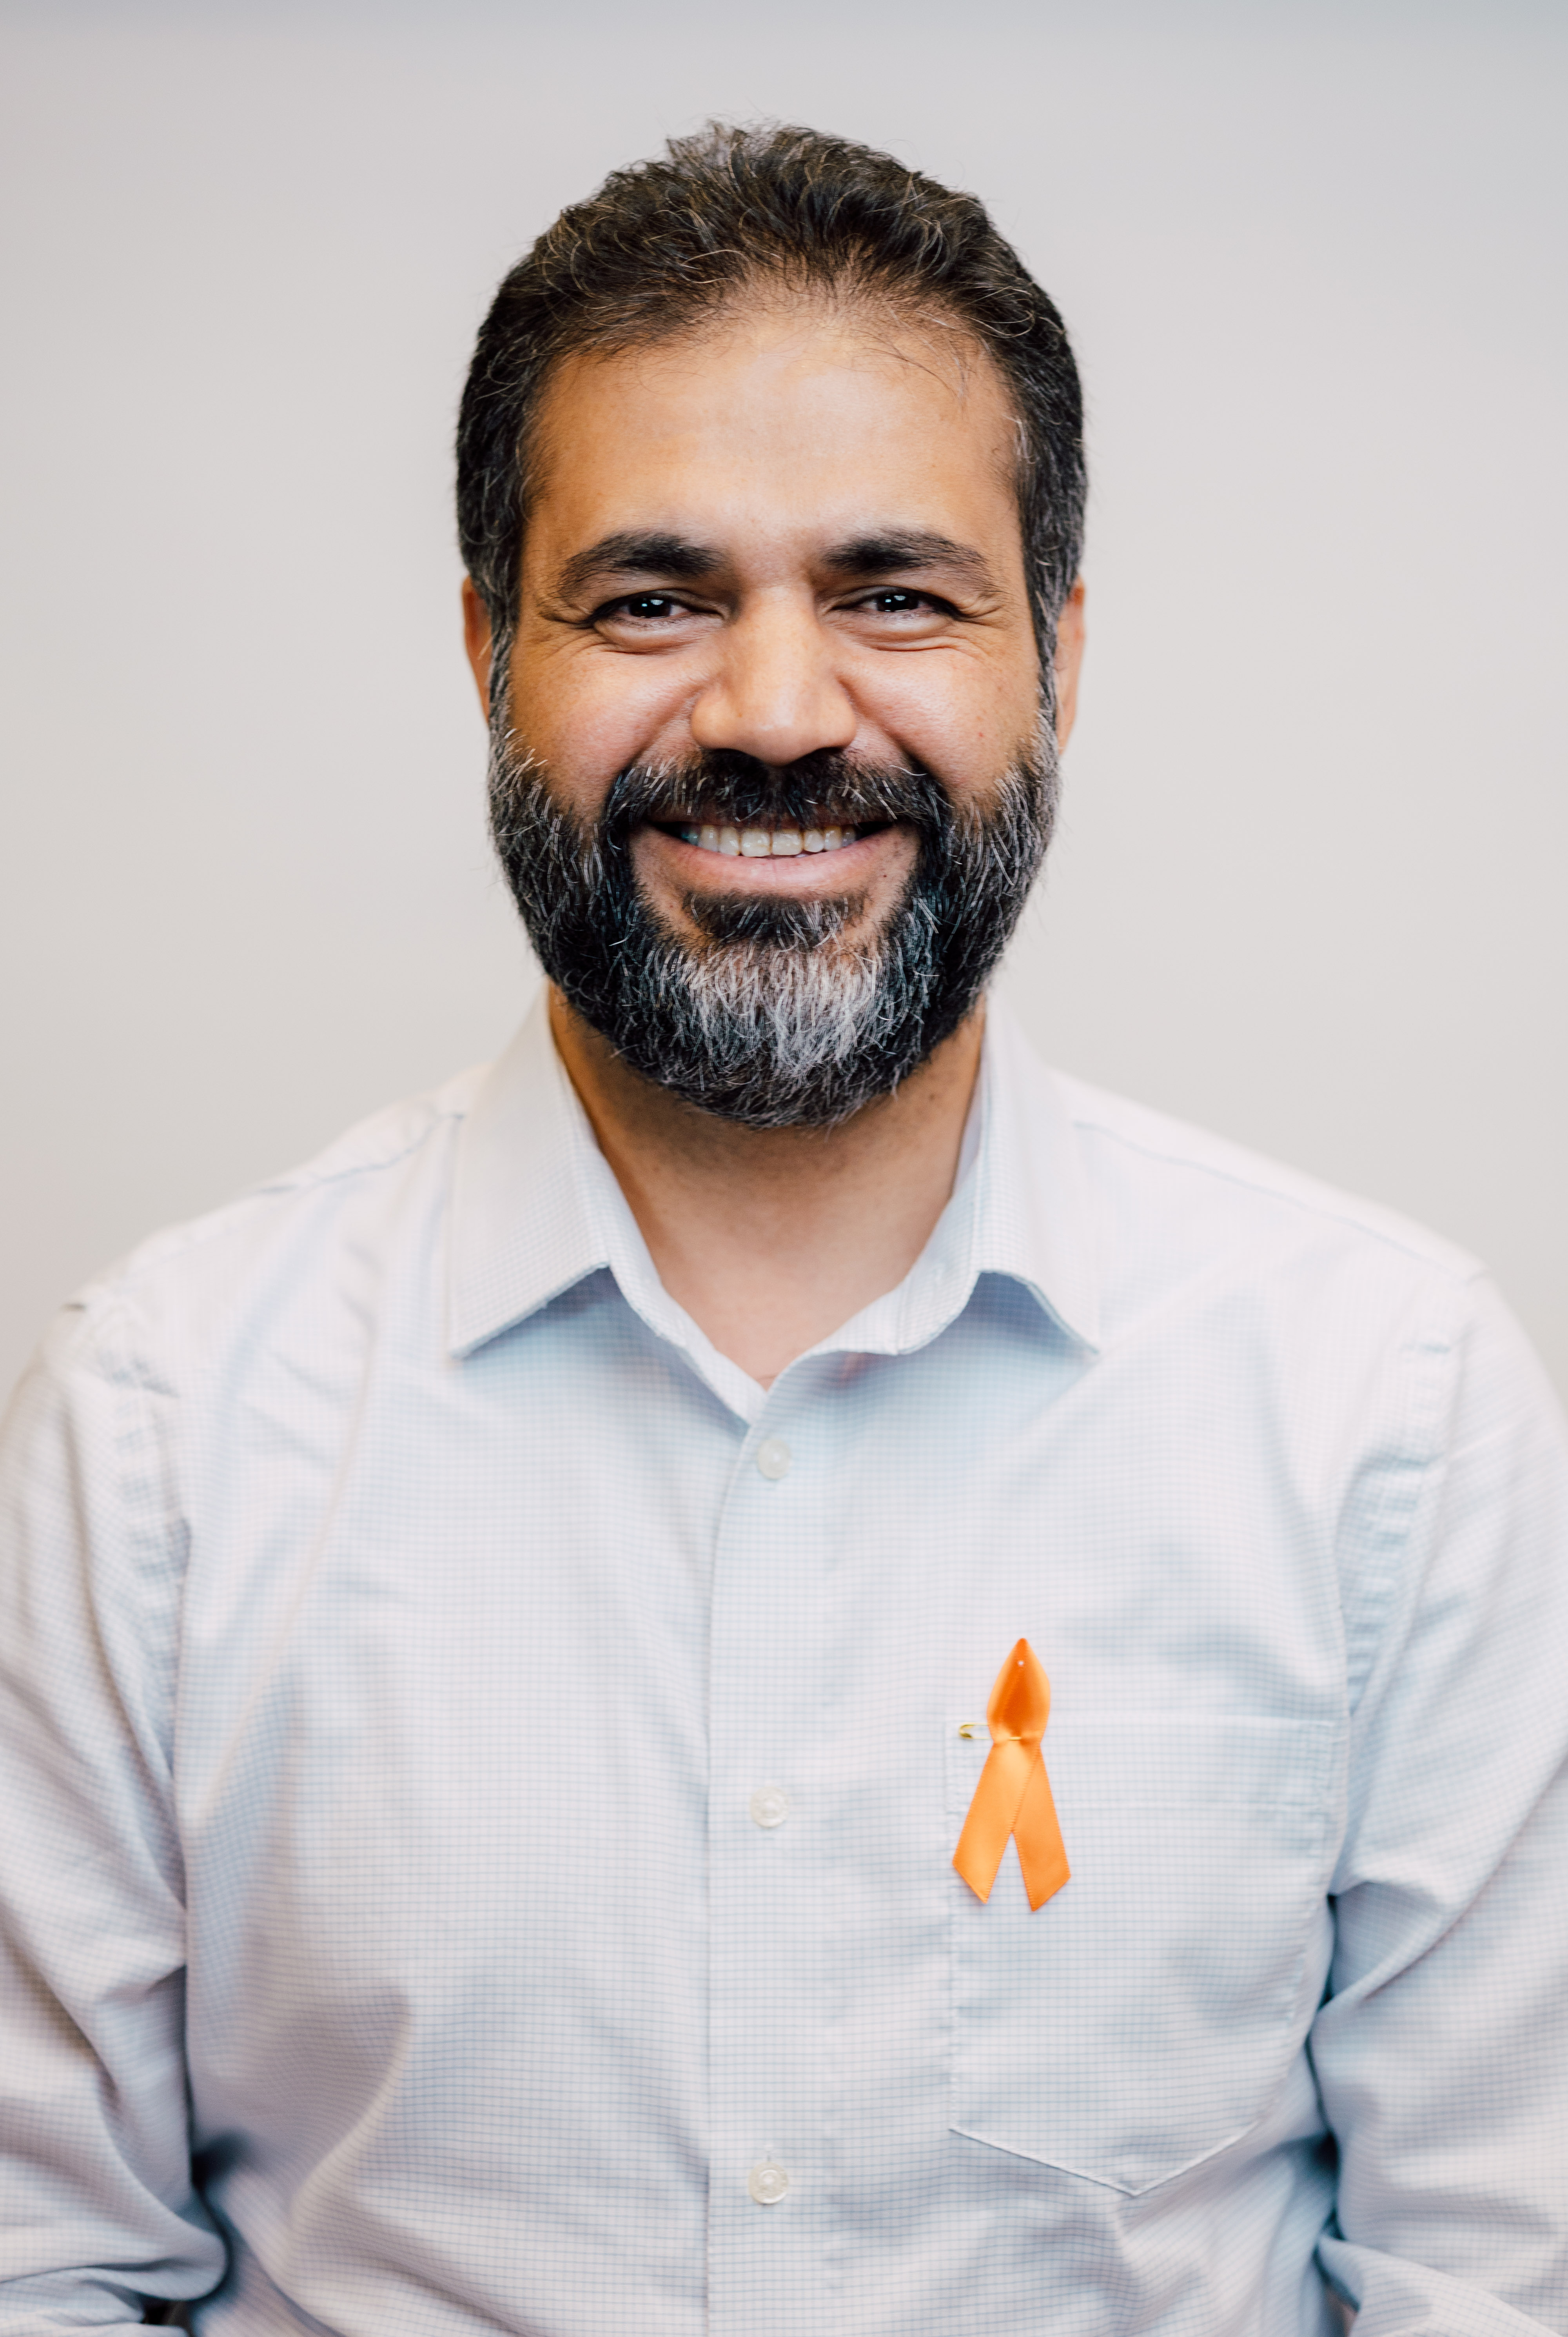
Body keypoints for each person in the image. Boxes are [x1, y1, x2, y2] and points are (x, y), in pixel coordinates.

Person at [1, 121, 1565, 2337]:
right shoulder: (160, 1427)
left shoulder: (1386, 1410)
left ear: (1060, 657)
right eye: (652, 598)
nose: (771, 711)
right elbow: (42, 2271)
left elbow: (1492, 2282)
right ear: (488, 653)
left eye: (895, 593)